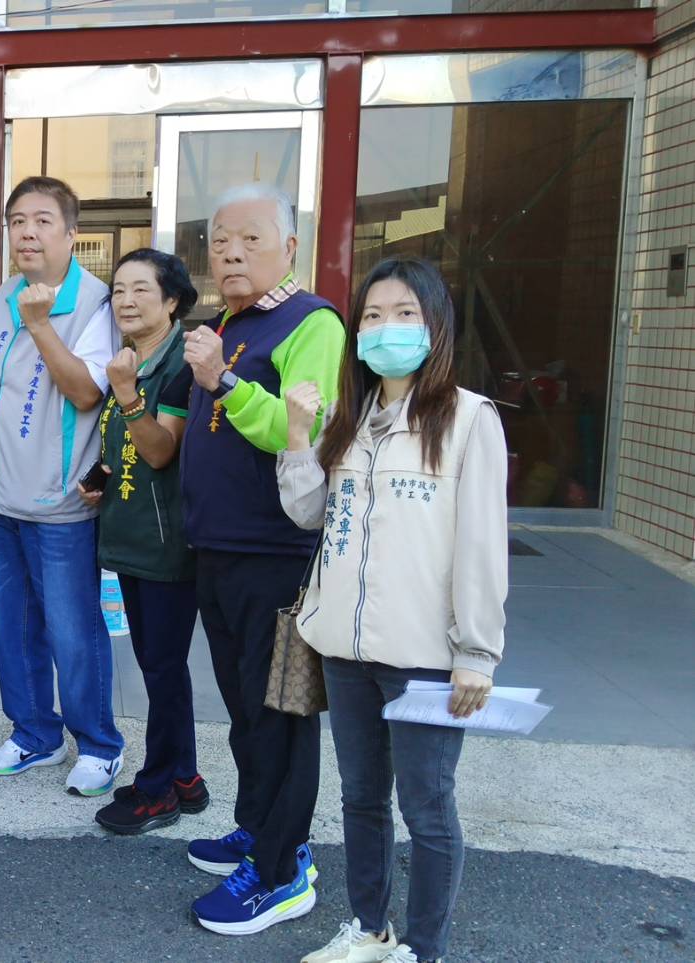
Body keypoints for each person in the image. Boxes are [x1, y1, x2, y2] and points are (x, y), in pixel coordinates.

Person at [285, 257, 506, 963]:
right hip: (345, 650)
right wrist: (298, 435)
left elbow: (480, 545)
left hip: (424, 658)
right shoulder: (349, 418)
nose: (386, 328)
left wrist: (476, 651)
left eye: (404, 313)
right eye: (373, 316)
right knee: (359, 798)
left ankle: (423, 949)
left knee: (426, 808)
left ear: (434, 324)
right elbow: (308, 513)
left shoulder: (468, 419)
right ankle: (369, 929)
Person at [178, 183, 344, 935]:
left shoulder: (312, 323)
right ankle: (256, 828)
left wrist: (223, 380)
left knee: (281, 714)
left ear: (290, 247)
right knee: (247, 708)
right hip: (219, 553)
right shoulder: (227, 323)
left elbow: (297, 433)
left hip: (279, 556)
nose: (231, 253)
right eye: (219, 241)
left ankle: (282, 870)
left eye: (250, 238)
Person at [0, 176, 124, 797]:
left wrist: (40, 325)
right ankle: (34, 733)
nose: (27, 233)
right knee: (11, 628)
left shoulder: (95, 302)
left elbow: (87, 391)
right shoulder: (5, 293)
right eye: (17, 222)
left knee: (72, 631)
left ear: (71, 233)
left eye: (42, 221)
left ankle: (100, 744)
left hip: (60, 503)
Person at [79, 250, 211, 835]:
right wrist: (101, 478)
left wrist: (127, 393)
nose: (125, 301)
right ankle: (184, 776)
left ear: (173, 300)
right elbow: (127, 448)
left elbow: (161, 450)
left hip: (166, 544)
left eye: (140, 289)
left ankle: (158, 790)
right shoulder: (135, 357)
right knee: (161, 665)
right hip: (133, 536)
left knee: (162, 668)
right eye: (118, 290)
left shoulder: (181, 362)